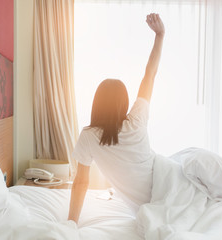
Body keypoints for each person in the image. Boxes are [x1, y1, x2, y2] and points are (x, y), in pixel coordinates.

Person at [68, 13, 165, 223]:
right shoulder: (136, 119)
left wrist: (71, 223)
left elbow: (81, 182)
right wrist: (160, 35)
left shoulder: (89, 136)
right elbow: (150, 74)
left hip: (154, 193)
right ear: (124, 103)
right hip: (166, 179)